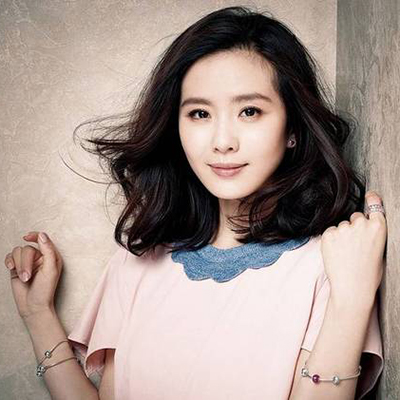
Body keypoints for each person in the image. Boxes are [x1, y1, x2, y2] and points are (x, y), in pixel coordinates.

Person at [4, 6, 387, 400]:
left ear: (293, 128)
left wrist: (352, 298)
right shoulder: (137, 263)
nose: (222, 141)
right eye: (200, 113)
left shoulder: (331, 265)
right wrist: (38, 314)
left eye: (249, 111)